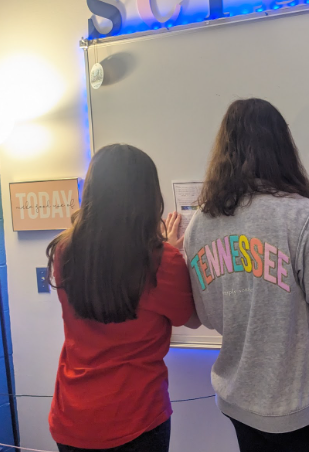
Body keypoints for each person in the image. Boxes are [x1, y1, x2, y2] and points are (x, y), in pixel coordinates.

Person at [184, 98, 309, 452]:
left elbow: (210, 314)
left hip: (236, 399)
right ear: (282, 146)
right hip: (296, 405)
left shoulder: (200, 223)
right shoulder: (303, 216)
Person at [46, 144, 200, 452]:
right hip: (137, 418)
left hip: (72, 416)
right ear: (148, 197)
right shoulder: (161, 261)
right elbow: (191, 319)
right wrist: (173, 252)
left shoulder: (65, 250)